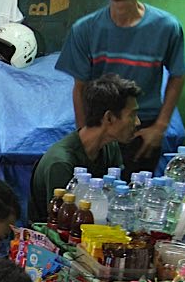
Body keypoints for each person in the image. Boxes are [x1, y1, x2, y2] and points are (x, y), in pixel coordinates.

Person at [56, 0, 185, 176]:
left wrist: (160, 126)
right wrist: (85, 137)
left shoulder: (167, 27)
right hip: (101, 130)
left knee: (136, 200)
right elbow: (80, 88)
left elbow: (178, 75)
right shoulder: (85, 29)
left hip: (140, 130)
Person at [29, 73, 141, 222]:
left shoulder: (110, 147)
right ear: (109, 118)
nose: (138, 122)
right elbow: (62, 224)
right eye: (132, 115)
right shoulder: (61, 162)